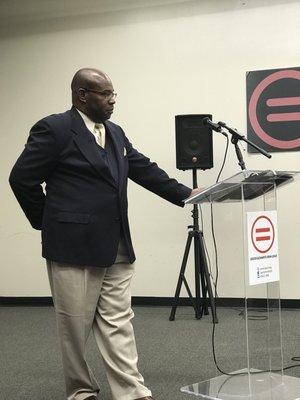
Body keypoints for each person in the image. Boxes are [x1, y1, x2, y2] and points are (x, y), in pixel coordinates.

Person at [9, 68, 200, 400]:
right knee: (75, 327)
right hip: (72, 247)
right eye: (105, 94)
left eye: (114, 94)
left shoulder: (115, 132)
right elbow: (21, 178)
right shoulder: (54, 129)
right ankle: (82, 392)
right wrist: (50, 222)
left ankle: (132, 391)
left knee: (118, 321)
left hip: (117, 245)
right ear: (82, 95)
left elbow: (144, 169)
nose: (112, 100)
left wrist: (190, 194)